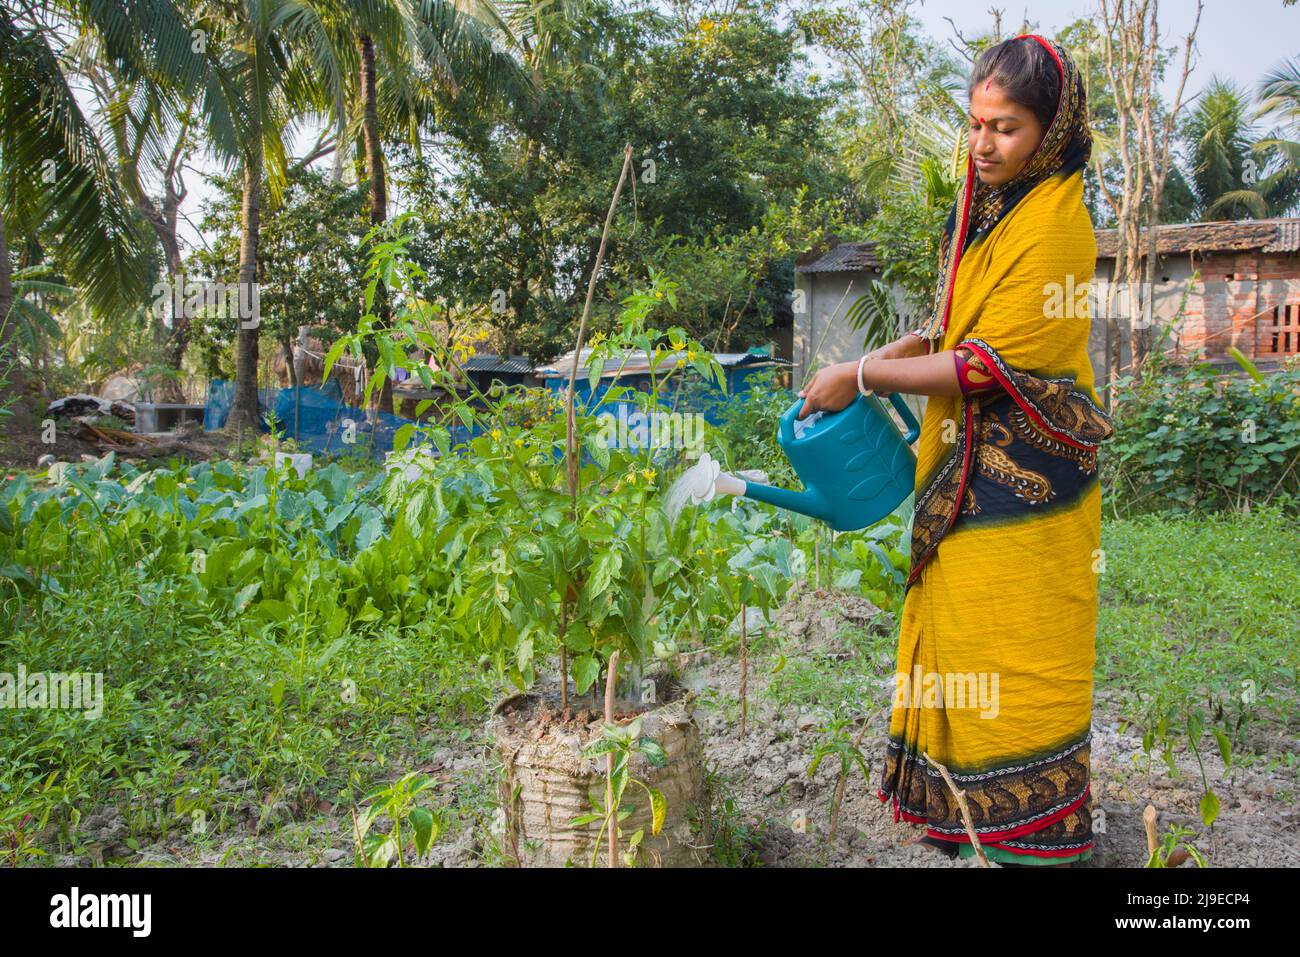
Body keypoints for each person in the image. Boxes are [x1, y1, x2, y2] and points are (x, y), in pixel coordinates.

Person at [797, 34, 1115, 867]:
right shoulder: (989, 209)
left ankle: (1030, 835)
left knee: (1018, 642)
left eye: (1005, 128)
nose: (983, 144)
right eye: (975, 124)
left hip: (1027, 480)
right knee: (964, 637)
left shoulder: (1054, 228)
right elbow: (959, 328)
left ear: (1052, 129)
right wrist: (894, 355)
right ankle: (966, 817)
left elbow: (985, 364)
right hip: (970, 470)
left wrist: (862, 374)